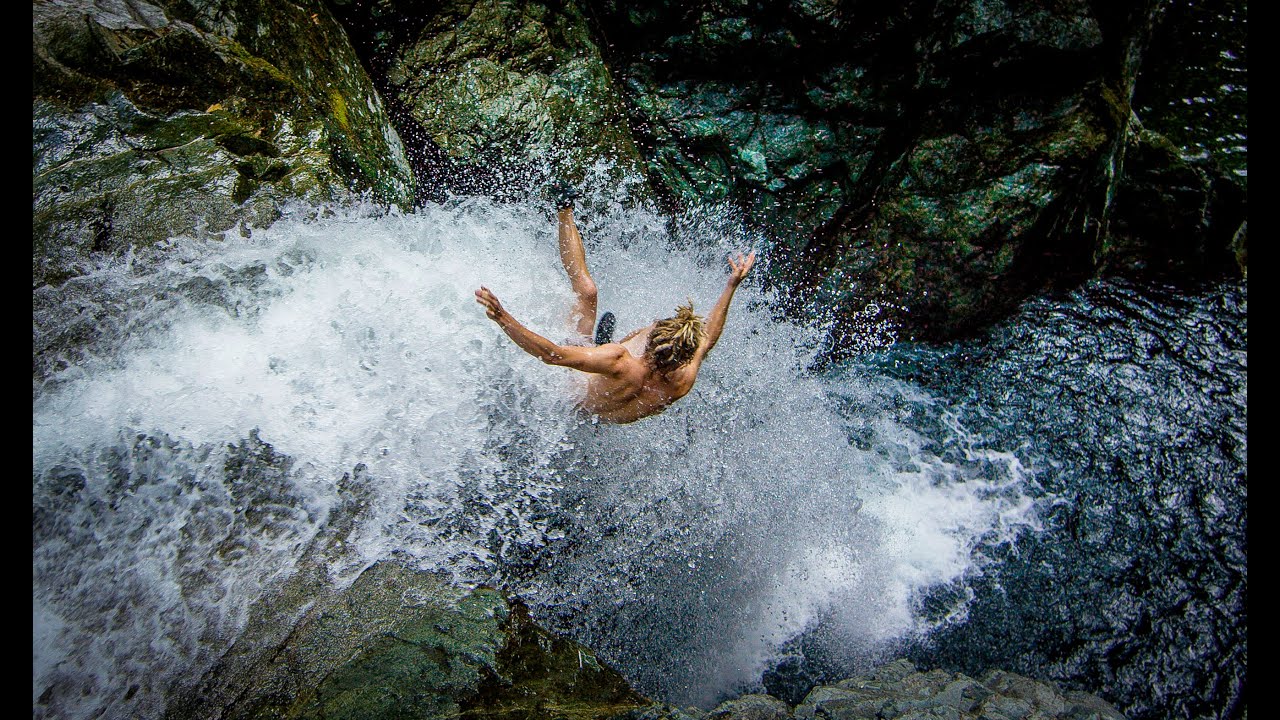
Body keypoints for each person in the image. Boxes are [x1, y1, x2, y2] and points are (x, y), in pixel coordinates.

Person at [474, 203, 756, 423]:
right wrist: (732, 285)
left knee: (587, 292)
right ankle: (597, 347)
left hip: (564, 396)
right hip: (598, 415)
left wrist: (503, 317)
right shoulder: (683, 378)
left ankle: (564, 212)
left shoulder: (620, 362)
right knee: (683, 340)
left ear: (652, 346)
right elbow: (709, 337)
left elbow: (551, 355)